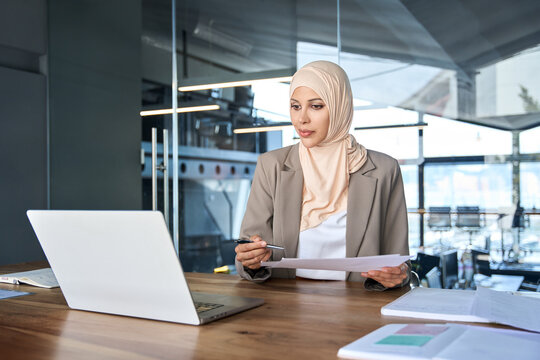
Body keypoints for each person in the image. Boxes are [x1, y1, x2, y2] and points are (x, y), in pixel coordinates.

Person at [235, 60, 410, 290]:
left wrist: (398, 275)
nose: (301, 119)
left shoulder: (384, 170)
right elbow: (246, 258)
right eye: (295, 106)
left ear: (340, 107)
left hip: (358, 308)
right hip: (284, 306)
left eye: (316, 106)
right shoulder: (272, 166)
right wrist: (251, 259)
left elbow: (400, 263)